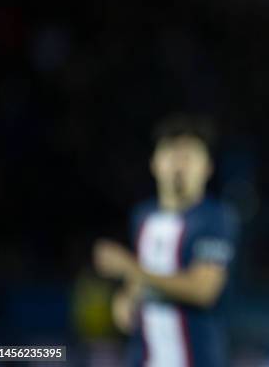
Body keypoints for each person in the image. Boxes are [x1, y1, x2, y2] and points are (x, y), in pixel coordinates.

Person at [94, 114, 238, 367]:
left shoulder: (214, 218)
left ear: (207, 167)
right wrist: (126, 298)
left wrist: (129, 268)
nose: (179, 165)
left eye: (189, 156)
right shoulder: (142, 216)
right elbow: (143, 280)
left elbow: (203, 290)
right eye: (171, 153)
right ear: (154, 163)